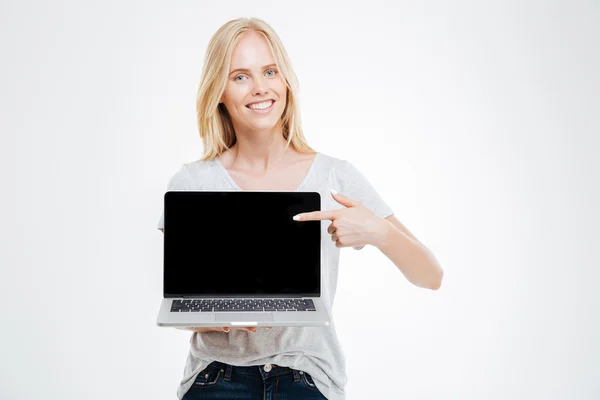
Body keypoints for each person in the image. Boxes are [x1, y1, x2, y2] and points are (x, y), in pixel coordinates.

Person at [157, 17, 443, 400]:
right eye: (240, 76)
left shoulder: (334, 176)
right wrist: (219, 317)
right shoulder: (191, 183)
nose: (260, 88)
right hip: (215, 377)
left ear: (286, 80)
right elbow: (181, 308)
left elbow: (431, 276)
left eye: (270, 71)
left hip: (306, 374)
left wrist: (379, 232)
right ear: (218, 91)